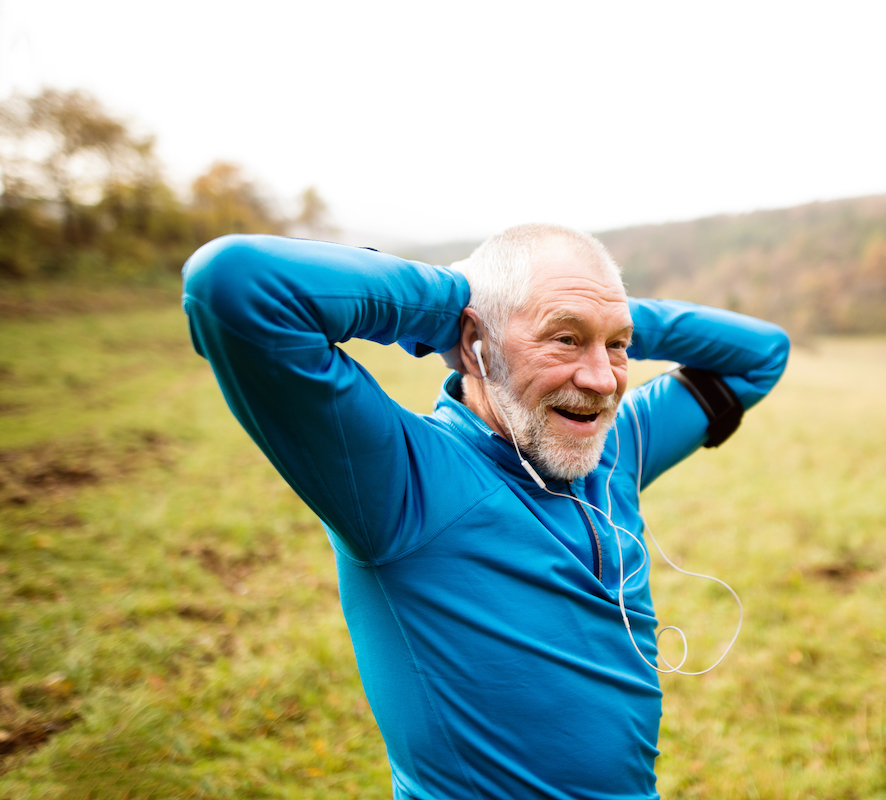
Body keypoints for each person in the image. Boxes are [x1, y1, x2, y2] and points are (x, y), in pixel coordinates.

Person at [180, 223, 789, 800]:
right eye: (564, 339)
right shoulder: (405, 480)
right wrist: (459, 308)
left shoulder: (612, 450)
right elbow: (234, 283)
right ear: (475, 344)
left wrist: (602, 316)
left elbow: (763, 353)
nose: (604, 381)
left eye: (618, 348)